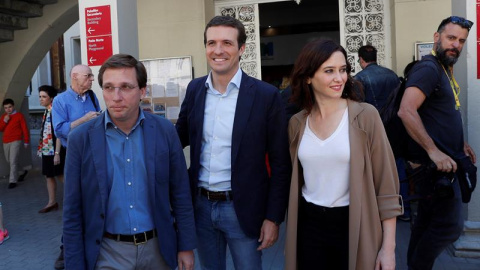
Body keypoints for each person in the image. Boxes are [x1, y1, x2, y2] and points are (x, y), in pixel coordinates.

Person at [176, 15, 291, 270]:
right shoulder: (195, 90)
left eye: (227, 43)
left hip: (243, 210)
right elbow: (177, 140)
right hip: (202, 207)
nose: (218, 50)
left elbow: (281, 163)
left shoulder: (265, 95)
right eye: (211, 43)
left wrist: (273, 217)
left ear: (241, 49)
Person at [63, 54, 195, 270]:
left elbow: (180, 193)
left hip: (158, 250)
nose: (116, 96)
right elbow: (72, 210)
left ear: (142, 91)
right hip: (107, 253)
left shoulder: (164, 132)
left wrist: (186, 246)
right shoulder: (81, 139)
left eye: (125, 87)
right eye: (108, 87)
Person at [284, 39, 402, 270]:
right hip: (309, 226)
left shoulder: (366, 116)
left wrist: (388, 249)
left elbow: (386, 186)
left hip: (354, 223)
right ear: (308, 77)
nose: (339, 78)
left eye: (343, 70)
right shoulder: (297, 123)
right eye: (329, 71)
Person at [398, 16, 476, 270]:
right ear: (437, 37)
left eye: (461, 41)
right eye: (451, 38)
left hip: (444, 163)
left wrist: (461, 143)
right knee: (449, 227)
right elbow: (406, 111)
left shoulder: (444, 69)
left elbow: (445, 112)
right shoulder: (429, 68)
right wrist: (434, 152)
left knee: (426, 222)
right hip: (435, 168)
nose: (456, 45)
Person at [51, 64, 101, 270]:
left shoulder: (92, 97)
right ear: (74, 77)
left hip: (96, 155)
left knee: (95, 201)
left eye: (91, 76)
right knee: (74, 203)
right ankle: (66, 250)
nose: (92, 79)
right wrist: (84, 120)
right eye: (88, 76)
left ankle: (96, 246)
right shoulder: (60, 101)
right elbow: (60, 130)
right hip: (75, 158)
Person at [37, 85, 65, 213]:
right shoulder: (46, 110)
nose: (41, 99)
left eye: (44, 97)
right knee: (49, 175)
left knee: (60, 175)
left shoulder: (55, 111)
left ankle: (80, 199)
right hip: (47, 150)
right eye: (39, 97)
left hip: (55, 151)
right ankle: (52, 202)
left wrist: (57, 153)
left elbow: (59, 133)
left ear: (51, 98)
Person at [355, 45, 400, 110]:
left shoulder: (360, 77)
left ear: (361, 59)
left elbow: (357, 103)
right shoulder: (392, 74)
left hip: (372, 118)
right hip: (393, 117)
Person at [0, 98, 30, 189]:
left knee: (13, 161)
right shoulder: (4, 117)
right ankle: (22, 171)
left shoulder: (19, 116)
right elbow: (1, 129)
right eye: (6, 108)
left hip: (16, 140)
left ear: (13, 106)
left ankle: (12, 181)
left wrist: (26, 141)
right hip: (6, 141)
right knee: (10, 161)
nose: (8, 109)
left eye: (9, 107)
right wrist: (5, 120)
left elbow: (25, 129)